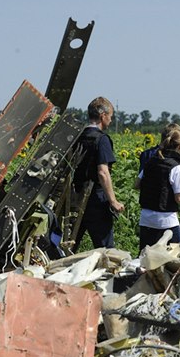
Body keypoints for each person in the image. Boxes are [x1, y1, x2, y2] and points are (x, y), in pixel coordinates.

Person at [72, 96, 125, 250]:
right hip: (96, 198)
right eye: (110, 116)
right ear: (103, 116)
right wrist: (113, 201)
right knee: (105, 250)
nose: (111, 120)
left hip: (75, 197)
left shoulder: (78, 137)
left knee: (69, 245)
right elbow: (103, 172)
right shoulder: (102, 140)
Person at [135, 125, 180, 252]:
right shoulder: (177, 167)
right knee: (175, 259)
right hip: (167, 221)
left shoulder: (151, 162)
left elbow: (137, 185)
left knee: (145, 258)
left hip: (146, 218)